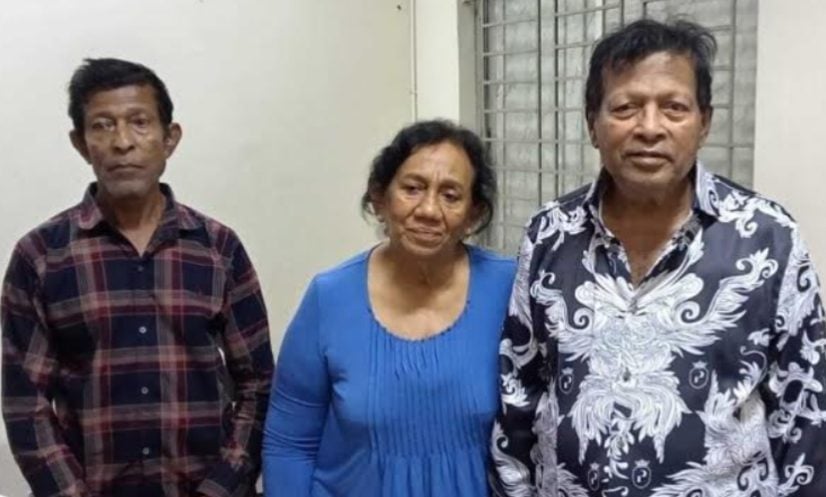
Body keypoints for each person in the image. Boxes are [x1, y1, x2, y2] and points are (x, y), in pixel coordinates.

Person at [489, 19, 826, 497]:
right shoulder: (550, 233)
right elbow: (519, 391)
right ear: (592, 123)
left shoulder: (768, 237)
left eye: (674, 108)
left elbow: (806, 410)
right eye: (625, 107)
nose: (649, 128)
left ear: (704, 123)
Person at [1, 58, 274, 497]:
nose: (122, 142)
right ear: (80, 143)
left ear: (170, 138)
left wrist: (223, 485)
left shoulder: (218, 248)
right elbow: (25, 402)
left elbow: (258, 384)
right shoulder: (40, 256)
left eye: (139, 122)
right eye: (102, 126)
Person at [262, 120, 516, 496]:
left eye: (451, 195)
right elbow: (289, 444)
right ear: (380, 198)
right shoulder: (329, 298)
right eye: (412, 189)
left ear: (473, 214)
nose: (428, 210)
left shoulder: (509, 289)